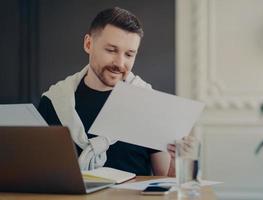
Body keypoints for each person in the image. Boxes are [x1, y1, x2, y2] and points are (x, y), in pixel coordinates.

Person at [38, 7, 177, 176]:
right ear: (88, 44)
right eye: (111, 50)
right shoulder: (53, 103)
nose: (119, 63)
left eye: (129, 54)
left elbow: (166, 181)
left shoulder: (147, 103)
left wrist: (179, 158)